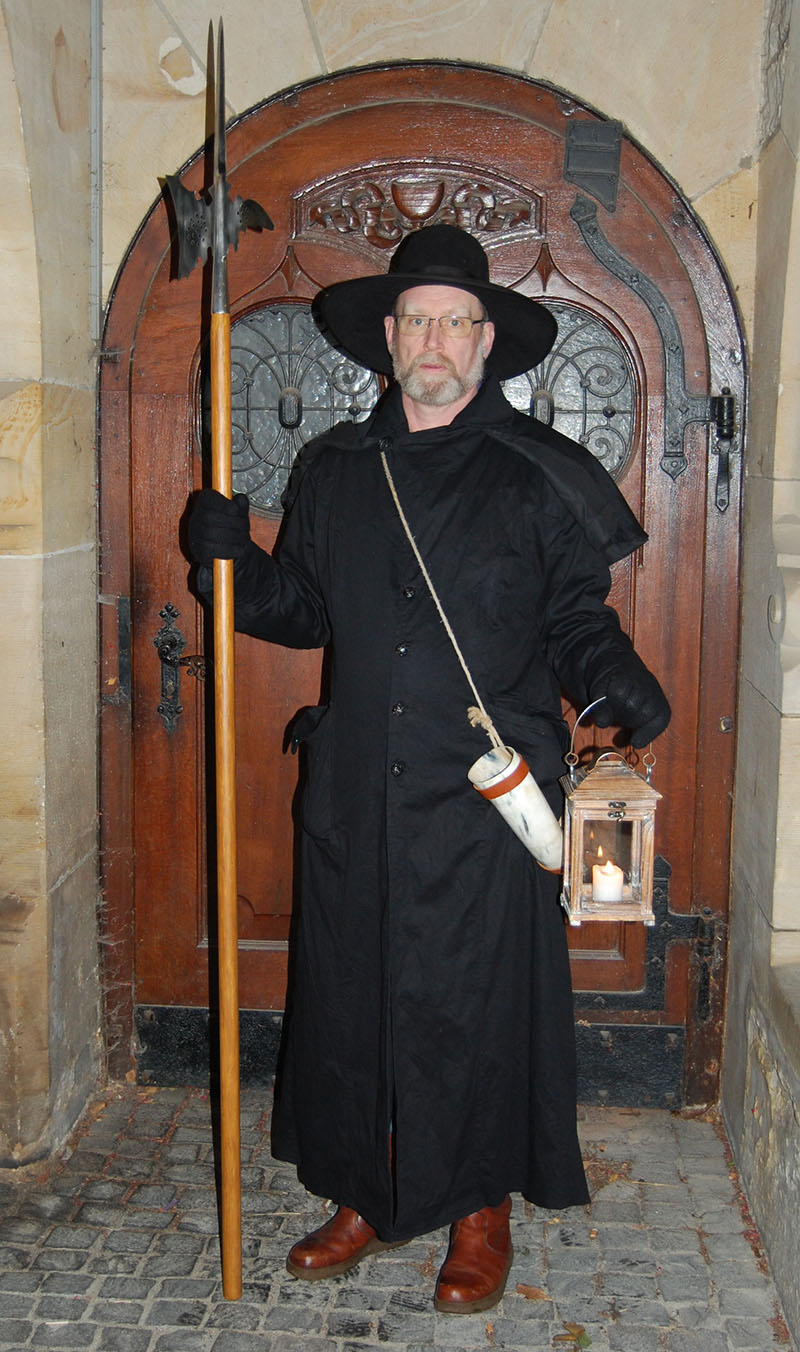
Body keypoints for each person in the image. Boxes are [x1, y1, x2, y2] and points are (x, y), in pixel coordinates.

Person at [187, 224, 670, 1314]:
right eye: (417, 320)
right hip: (358, 787)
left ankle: (478, 1210)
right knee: (353, 995)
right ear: (390, 338)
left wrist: (616, 682)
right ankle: (363, 1190)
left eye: (456, 321)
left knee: (477, 1003)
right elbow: (305, 610)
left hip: (488, 795)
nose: (435, 339)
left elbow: (573, 620)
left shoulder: (537, 473)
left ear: (487, 340)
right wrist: (231, 565)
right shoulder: (335, 468)